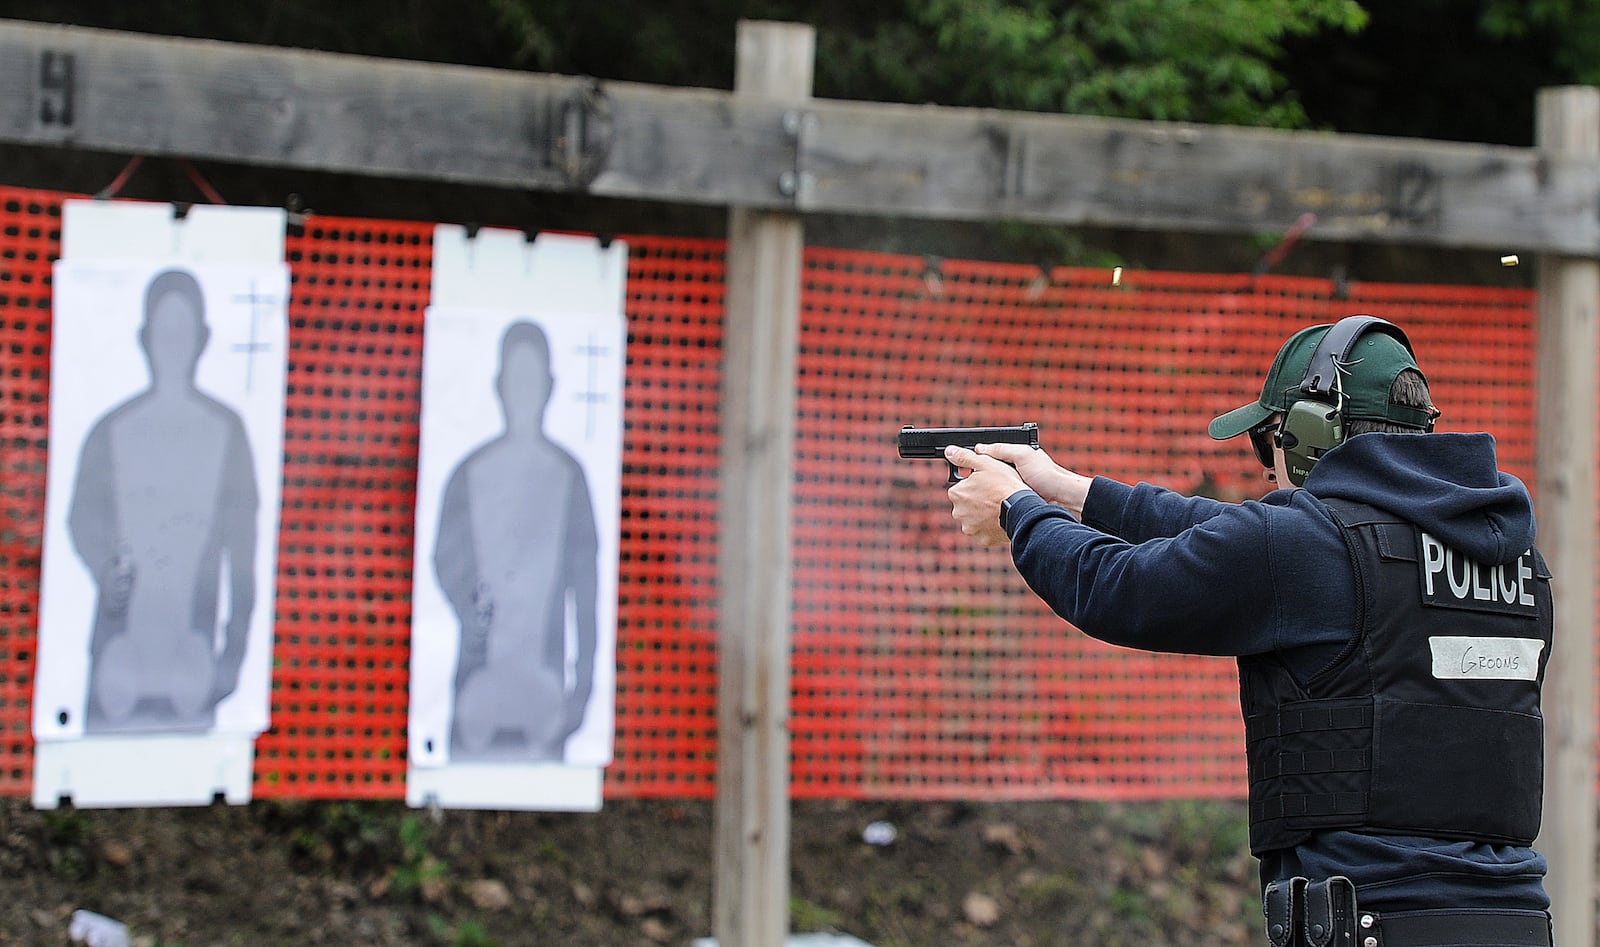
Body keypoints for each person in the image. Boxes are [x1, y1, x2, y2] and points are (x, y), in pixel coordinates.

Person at [943, 315, 1553, 946]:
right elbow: (1241, 537)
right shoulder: (1517, 565)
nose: (1271, 470)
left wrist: (1017, 512)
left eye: (1271, 444)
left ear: (1313, 436)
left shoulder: (1308, 549)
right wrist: (1069, 491)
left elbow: (1117, 590)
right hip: (1514, 921)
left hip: (1373, 923)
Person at [68, 267, 259, 734]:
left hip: (192, 660)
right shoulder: (110, 431)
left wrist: (233, 654)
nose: (173, 344)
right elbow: (81, 518)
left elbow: (244, 557)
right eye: (164, 331)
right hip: (118, 656)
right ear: (144, 337)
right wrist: (103, 567)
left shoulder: (227, 432)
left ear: (203, 337)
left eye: (183, 330)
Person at [433, 320, 598, 762]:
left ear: (550, 386)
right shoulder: (469, 474)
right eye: (515, 380)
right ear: (498, 386)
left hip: (545, 691)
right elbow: (444, 561)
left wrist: (582, 688)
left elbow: (587, 594)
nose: (523, 393)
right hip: (477, 688)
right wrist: (477, 616)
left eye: (532, 380)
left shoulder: (569, 477)